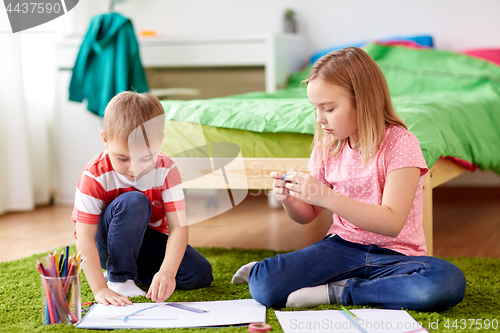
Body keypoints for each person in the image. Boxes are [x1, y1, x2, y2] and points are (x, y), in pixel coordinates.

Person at [232, 47, 466, 312]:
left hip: (396, 256)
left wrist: (326, 196)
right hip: (342, 248)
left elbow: (391, 223)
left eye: (329, 108)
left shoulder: (400, 143)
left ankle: (341, 291)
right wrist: (289, 200)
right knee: (264, 285)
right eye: (315, 109)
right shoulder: (327, 147)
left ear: (363, 101)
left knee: (444, 283)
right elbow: (307, 214)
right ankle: (273, 271)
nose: (320, 119)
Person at [72, 91, 213, 306]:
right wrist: (100, 289)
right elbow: (84, 238)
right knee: (135, 201)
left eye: (145, 158)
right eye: (122, 158)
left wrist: (167, 271)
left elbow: (178, 227)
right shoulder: (94, 175)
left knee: (199, 273)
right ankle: (119, 277)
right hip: (106, 244)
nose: (134, 169)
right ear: (105, 140)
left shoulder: (167, 170)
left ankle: (136, 272)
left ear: (160, 141)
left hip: (145, 241)